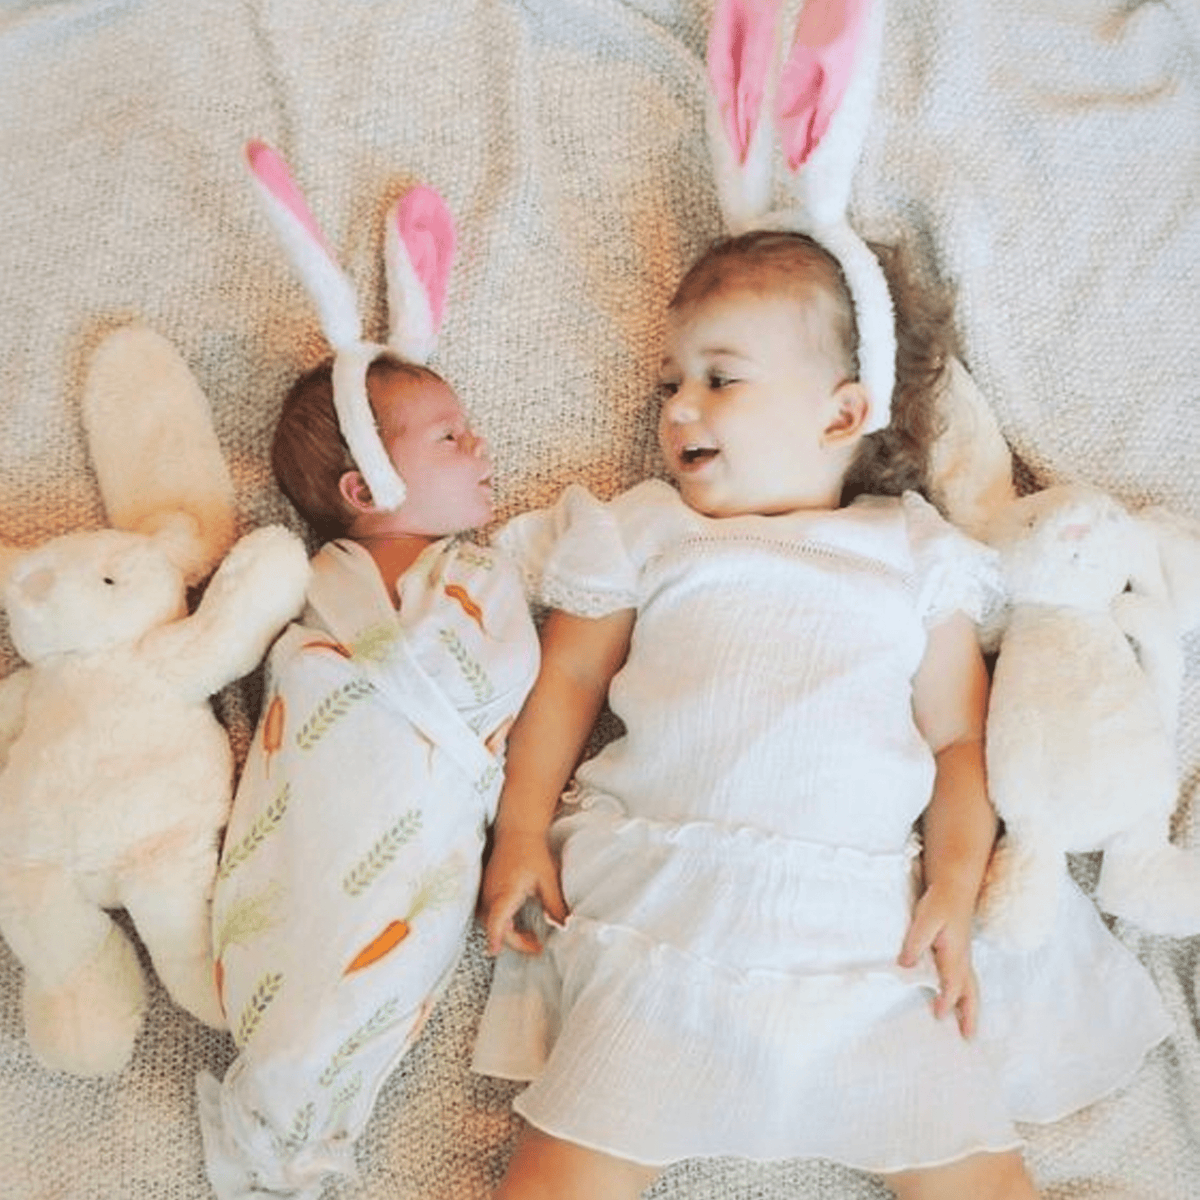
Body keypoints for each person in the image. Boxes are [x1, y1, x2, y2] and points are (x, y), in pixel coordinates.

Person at [470, 230, 1171, 1200]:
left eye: (720, 378)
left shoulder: (911, 551)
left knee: (974, 1170)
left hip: (868, 933)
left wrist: (954, 884)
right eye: (672, 382)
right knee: (566, 1168)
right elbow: (569, 680)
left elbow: (960, 740)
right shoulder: (647, 529)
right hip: (672, 913)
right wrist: (519, 829)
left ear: (842, 412)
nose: (678, 407)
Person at [196, 352, 540, 1200]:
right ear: (365, 488)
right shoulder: (309, 583)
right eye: (450, 437)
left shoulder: (480, 575)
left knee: (371, 958)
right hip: (322, 814)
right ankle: (286, 1106)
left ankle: (296, 1111)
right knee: (308, 918)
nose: (481, 444)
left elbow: (495, 677)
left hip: (416, 824)